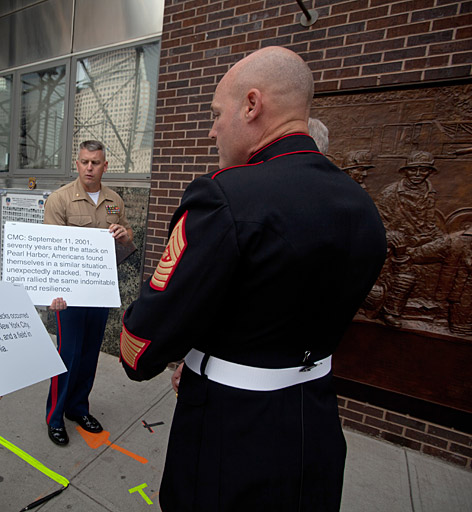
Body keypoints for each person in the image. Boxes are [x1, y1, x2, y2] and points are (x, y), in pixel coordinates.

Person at [119, 47, 386, 511]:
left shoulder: (226, 196)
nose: (212, 129)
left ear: (252, 104)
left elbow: (140, 347)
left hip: (231, 432)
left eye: (217, 113)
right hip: (316, 420)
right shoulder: (361, 205)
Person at [43, 140, 133, 446]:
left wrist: (124, 233)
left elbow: (126, 236)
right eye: (84, 162)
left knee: (90, 352)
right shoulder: (60, 200)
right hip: (69, 295)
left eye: (95, 162)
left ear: (105, 166)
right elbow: (50, 250)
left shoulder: (114, 201)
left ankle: (78, 408)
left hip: (99, 291)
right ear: (77, 163)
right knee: (67, 354)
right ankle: (55, 417)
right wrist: (53, 293)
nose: (89, 168)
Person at [376, 150, 450, 328]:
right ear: (406, 171)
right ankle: (391, 311)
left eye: (423, 170)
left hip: (420, 240)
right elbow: (377, 221)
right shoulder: (391, 193)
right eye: (413, 170)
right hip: (395, 239)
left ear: (430, 172)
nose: (418, 174)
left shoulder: (430, 192)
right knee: (405, 276)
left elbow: (430, 222)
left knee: (451, 245)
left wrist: (437, 237)